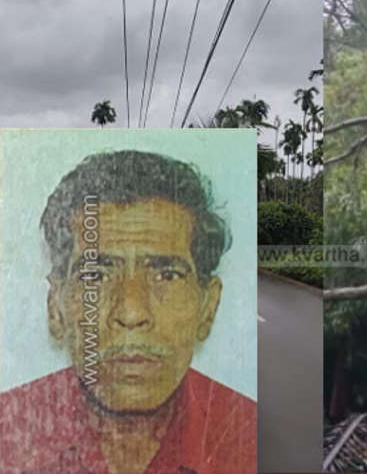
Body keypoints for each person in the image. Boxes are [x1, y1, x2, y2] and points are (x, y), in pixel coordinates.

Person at [0, 151, 256, 474]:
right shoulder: (8, 435)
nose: (131, 312)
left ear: (208, 308)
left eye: (166, 275)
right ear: (56, 308)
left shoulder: (252, 440)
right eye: (95, 275)